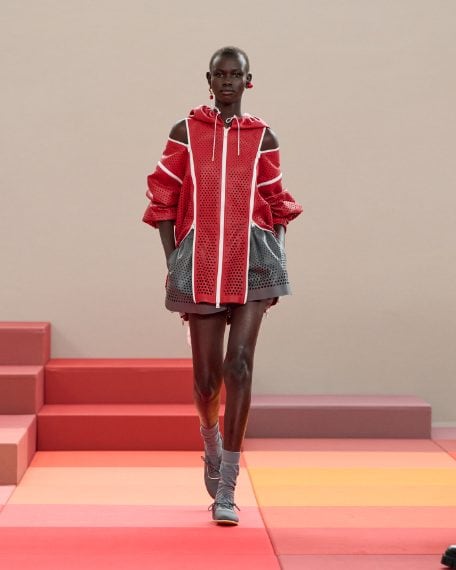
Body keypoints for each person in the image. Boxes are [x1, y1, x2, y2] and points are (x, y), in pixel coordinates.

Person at [142, 46, 302, 525]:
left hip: (253, 261)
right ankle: (210, 439)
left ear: (248, 81)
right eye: (220, 74)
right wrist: (175, 258)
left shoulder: (263, 136)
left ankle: (228, 485)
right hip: (200, 263)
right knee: (206, 380)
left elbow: (275, 200)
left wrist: (276, 251)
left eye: (236, 74)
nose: (228, 81)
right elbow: (164, 196)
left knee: (240, 366)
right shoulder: (185, 132)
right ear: (209, 80)